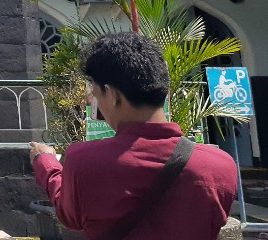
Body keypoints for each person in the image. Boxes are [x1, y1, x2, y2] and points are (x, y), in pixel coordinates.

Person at [29, 32, 238, 240]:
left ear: (112, 95)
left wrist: (45, 162)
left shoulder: (84, 160)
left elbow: (69, 217)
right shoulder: (220, 166)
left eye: (95, 94)